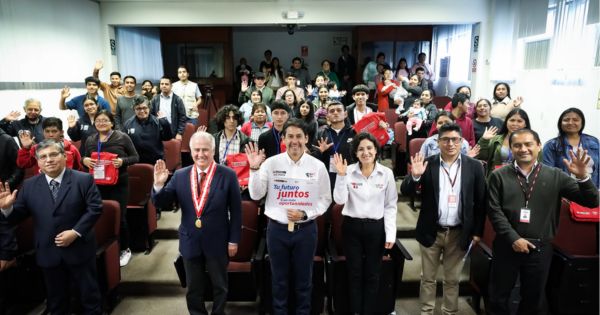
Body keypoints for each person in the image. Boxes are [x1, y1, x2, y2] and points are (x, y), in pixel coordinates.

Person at [487, 128, 599, 314]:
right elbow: (494, 210)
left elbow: (592, 202)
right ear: (512, 149)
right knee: (499, 297)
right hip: (507, 246)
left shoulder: (555, 175)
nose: (523, 149)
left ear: (538, 146)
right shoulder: (499, 175)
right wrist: (513, 238)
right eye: (517, 145)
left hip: (539, 249)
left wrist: (583, 178)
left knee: (533, 300)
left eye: (528, 144)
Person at [0, 139, 103, 314]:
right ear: (38, 161)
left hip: (79, 249)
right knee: (56, 300)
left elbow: (95, 208)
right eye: (43, 157)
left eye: (54, 154)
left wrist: (76, 232)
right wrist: (7, 208)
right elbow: (17, 216)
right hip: (48, 251)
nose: (49, 160)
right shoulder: (30, 185)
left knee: (89, 297)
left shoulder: (83, 179)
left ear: (64, 156)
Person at [247, 118, 332, 315]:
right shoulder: (270, 163)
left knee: (304, 281)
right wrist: (253, 170)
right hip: (277, 230)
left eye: (299, 136)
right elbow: (256, 195)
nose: (295, 141)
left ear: (306, 138)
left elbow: (325, 199)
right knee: (279, 281)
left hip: (306, 231)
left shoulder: (317, 166)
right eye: (290, 136)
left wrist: (305, 214)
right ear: (283, 139)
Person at [401, 123, 487, 315]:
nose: (450, 144)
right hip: (432, 229)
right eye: (445, 139)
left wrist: (477, 232)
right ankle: (427, 310)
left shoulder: (474, 167)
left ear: (461, 142)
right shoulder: (427, 163)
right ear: (437, 142)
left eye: (455, 140)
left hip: (459, 232)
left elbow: (481, 202)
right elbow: (406, 191)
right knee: (428, 278)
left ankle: (449, 311)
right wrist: (414, 177)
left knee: (452, 278)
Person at [152, 131, 241, 315]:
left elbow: (237, 211)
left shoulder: (228, 175)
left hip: (218, 241)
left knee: (220, 286)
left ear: (214, 150)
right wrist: (159, 186)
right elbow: (163, 202)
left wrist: (234, 240)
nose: (201, 154)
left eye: (205, 150)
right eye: (196, 150)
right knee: (193, 288)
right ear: (191, 151)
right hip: (190, 240)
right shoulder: (180, 175)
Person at [331, 132, 397, 314]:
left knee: (373, 274)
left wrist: (391, 233)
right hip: (352, 228)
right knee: (354, 273)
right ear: (356, 153)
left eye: (369, 148)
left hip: (376, 229)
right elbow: (339, 199)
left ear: (376, 150)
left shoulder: (386, 174)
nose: (365, 152)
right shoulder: (348, 170)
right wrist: (341, 176)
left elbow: (390, 205)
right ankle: (355, 311)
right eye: (361, 149)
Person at [82, 110, 139, 267]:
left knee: (119, 217)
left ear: (112, 122)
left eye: (105, 120)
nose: (101, 123)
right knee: (98, 215)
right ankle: (105, 247)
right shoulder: (90, 139)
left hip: (118, 184)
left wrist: (123, 161)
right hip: (97, 184)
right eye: (98, 120)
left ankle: (125, 249)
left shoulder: (122, 137)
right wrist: (85, 160)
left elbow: (135, 157)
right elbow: (84, 157)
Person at [543, 108, 599, 188]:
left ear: (582, 123)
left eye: (575, 120)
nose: (570, 122)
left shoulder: (594, 142)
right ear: (560, 123)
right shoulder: (552, 145)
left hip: (592, 190)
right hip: (566, 193)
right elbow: (548, 174)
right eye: (566, 120)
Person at [312, 101, 356, 191]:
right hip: (327, 177)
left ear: (345, 114)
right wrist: (320, 151)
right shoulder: (320, 132)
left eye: (339, 110)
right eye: (332, 111)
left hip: (350, 177)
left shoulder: (354, 132)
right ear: (327, 116)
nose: (335, 112)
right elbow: (313, 159)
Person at [477, 108, 532, 175]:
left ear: (525, 124)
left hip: (519, 180)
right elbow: (482, 156)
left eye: (519, 121)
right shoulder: (496, 140)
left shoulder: (531, 142)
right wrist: (484, 140)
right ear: (506, 122)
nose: (515, 124)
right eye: (512, 120)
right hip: (497, 178)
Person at [17, 117, 82, 173]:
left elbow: (79, 169)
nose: (50, 135)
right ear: (43, 132)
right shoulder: (36, 148)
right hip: (43, 184)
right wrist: (25, 148)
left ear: (61, 132)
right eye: (47, 131)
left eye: (54, 131)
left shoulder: (71, 149)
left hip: (68, 184)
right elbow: (23, 164)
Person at [123, 96, 173, 164]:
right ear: (134, 109)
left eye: (144, 108)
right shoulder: (128, 124)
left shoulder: (158, 122)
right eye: (138, 108)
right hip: (136, 162)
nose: (142, 111)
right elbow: (125, 145)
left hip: (156, 161)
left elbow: (168, 138)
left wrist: (165, 123)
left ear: (149, 108)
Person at [150, 76, 187, 140]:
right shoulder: (155, 99)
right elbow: (151, 115)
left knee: (172, 149)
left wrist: (179, 133)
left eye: (166, 84)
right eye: (162, 84)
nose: (164, 86)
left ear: (171, 86)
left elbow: (182, 117)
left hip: (173, 131)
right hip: (158, 130)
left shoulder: (177, 99)